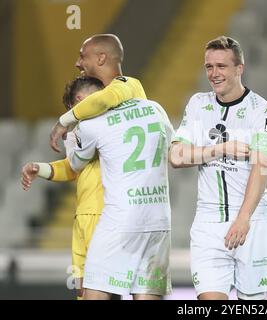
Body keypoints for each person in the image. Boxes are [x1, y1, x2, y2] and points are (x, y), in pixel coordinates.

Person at [169, 36, 267, 300]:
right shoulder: (198, 104)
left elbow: (261, 169)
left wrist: (243, 218)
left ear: (239, 68)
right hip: (208, 221)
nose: (214, 74)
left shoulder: (262, 111)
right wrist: (219, 149)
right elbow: (176, 156)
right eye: (209, 67)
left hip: (251, 219)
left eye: (221, 66)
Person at [68, 76, 173, 300]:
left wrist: (69, 126)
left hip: (119, 223)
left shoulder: (90, 125)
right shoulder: (155, 108)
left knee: (93, 292)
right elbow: (173, 152)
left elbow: (74, 164)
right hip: (159, 221)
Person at [21, 76, 105, 300]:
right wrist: (40, 168)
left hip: (106, 217)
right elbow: (72, 168)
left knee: (102, 291)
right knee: (83, 292)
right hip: (83, 218)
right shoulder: (78, 132)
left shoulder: (109, 125)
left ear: (78, 101)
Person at [49, 34, 146, 153]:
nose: (77, 63)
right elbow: (76, 163)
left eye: (82, 56)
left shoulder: (129, 84)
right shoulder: (91, 106)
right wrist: (47, 170)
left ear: (101, 58)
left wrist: (63, 121)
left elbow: (104, 100)